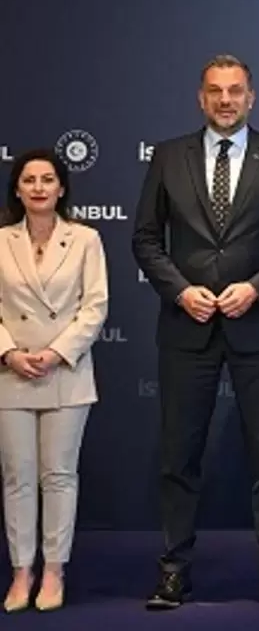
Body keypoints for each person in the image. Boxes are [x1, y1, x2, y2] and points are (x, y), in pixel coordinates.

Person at [132, 54, 259, 610]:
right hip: (186, 326)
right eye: (215, 91)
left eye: (235, 91)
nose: (225, 100)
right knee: (179, 458)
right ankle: (173, 570)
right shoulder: (168, 157)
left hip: (258, 326)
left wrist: (257, 288)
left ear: (251, 97)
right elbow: (145, 238)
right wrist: (180, 290)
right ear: (201, 97)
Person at [0, 149, 108, 613]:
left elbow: (95, 306)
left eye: (47, 179)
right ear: (17, 189)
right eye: (29, 180)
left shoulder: (85, 239)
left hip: (65, 371)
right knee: (17, 477)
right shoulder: (1, 240)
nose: (39, 187)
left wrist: (56, 352)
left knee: (59, 476)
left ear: (62, 187)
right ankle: (21, 571)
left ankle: (53, 571)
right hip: (10, 372)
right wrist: (9, 352)